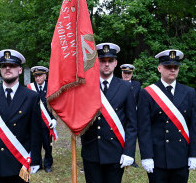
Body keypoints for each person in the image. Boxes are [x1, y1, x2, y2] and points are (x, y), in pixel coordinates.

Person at [81, 43, 137, 183]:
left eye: (110, 61)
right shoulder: (85, 86)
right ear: (96, 62)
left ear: (116, 63)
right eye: (102, 60)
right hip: (91, 150)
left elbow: (131, 123)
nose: (106, 64)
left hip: (115, 151)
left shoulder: (125, 87)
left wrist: (129, 152)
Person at [137, 49, 196, 183]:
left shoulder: (189, 92)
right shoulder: (147, 93)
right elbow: (144, 128)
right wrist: (147, 156)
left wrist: (193, 154)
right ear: (159, 68)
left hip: (181, 156)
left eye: (175, 67)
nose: (172, 70)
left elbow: (193, 126)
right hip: (158, 158)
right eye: (168, 67)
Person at [0, 49, 42, 183]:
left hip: (20, 161)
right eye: (4, 66)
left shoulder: (31, 96)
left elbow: (35, 131)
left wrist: (35, 160)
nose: (7, 68)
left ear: (20, 70)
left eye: (12, 65)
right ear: (1, 70)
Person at [27, 66, 57, 173]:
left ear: (45, 76)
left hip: (47, 123)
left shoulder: (51, 88)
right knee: (35, 144)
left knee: (47, 145)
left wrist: (54, 119)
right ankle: (36, 164)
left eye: (39, 75)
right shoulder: (30, 88)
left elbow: (55, 105)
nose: (37, 78)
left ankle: (48, 164)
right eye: (35, 76)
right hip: (34, 123)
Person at [120, 63, 141, 168]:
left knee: (132, 136)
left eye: (129, 73)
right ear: (121, 73)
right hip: (119, 114)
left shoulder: (137, 85)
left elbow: (139, 100)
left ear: (132, 73)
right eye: (125, 73)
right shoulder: (116, 83)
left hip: (133, 115)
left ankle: (131, 158)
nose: (127, 75)